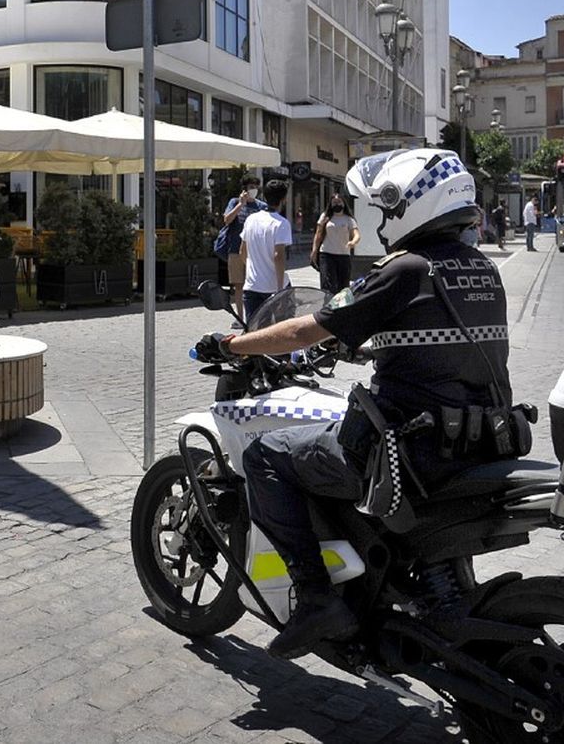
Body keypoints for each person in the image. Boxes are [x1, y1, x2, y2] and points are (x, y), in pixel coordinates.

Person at [195, 148, 511, 659]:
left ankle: (318, 599)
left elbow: (302, 329)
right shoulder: (482, 269)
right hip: (479, 441)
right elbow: (434, 340)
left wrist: (231, 344)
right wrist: (363, 344)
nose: (384, 222)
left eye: (387, 210)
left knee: (266, 456)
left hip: (409, 451)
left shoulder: (406, 270)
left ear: (412, 204)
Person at [239, 179, 292, 323]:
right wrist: (280, 290)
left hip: (252, 285)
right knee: (281, 330)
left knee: (254, 332)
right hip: (272, 286)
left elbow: (242, 252)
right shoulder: (281, 224)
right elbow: (278, 256)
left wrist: (254, 268)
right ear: (284, 199)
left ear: (264, 197)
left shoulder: (251, 220)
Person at [220, 175, 267, 323]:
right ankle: (240, 318)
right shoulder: (234, 202)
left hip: (255, 252)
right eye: (250, 187)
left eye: (255, 186)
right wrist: (241, 204)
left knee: (254, 285)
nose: (253, 189)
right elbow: (227, 220)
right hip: (235, 249)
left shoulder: (261, 206)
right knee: (239, 285)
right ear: (245, 189)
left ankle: (255, 316)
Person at [310, 193, 360, 298]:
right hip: (327, 254)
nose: (337, 204)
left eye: (339, 202)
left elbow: (356, 234)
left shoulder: (348, 219)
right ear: (330, 204)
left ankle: (341, 310)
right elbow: (318, 234)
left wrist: (353, 242)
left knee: (343, 287)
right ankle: (327, 308)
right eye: (334, 202)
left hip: (343, 256)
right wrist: (314, 251)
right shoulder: (325, 217)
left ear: (343, 203)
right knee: (328, 285)